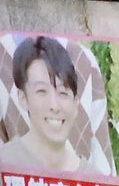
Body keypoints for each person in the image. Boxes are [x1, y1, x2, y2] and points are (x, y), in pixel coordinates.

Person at [0, 35, 102, 176]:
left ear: (76, 105)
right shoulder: (5, 164)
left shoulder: (94, 179)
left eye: (62, 93)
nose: (54, 106)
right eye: (41, 91)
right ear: (23, 98)